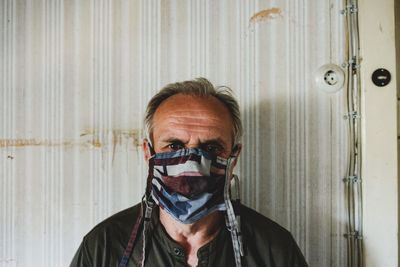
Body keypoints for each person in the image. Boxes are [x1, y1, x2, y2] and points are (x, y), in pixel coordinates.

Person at [70, 78, 308, 267]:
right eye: (174, 146)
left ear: (233, 158)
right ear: (148, 152)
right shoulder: (104, 246)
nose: (192, 165)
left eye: (211, 148)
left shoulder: (274, 249)